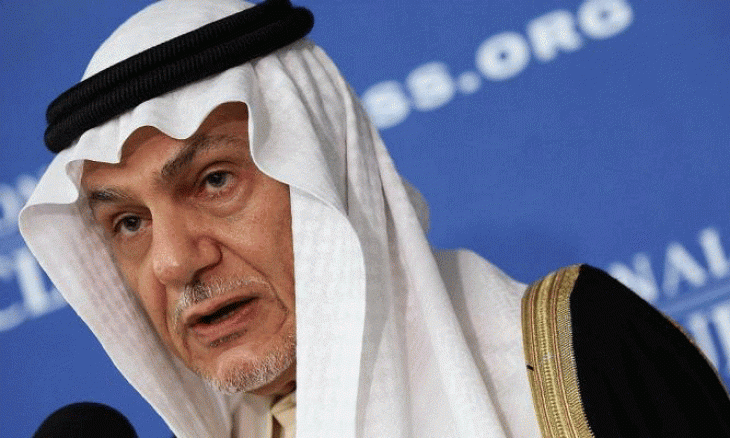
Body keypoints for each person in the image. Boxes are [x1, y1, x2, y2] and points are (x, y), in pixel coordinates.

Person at [20, 1, 730, 437]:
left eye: (215, 181)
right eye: (130, 224)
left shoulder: (577, 356)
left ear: (330, 171)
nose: (175, 261)